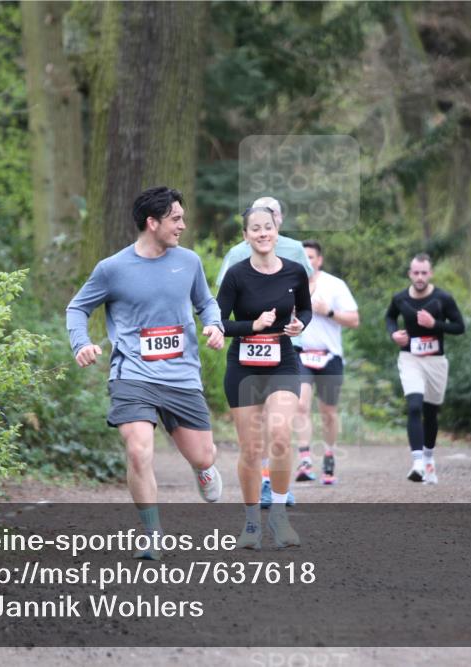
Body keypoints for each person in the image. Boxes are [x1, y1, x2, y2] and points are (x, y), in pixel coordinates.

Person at [67, 186, 225, 560]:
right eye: (175, 219)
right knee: (139, 451)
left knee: (203, 456)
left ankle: (202, 470)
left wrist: (215, 325)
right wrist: (80, 344)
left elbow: (206, 303)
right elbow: (77, 308)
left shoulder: (188, 262)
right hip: (133, 374)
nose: (182, 225)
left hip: (181, 376)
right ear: (152, 223)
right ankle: (153, 534)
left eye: (182, 218)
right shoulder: (112, 269)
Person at [217, 206, 312, 549]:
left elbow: (306, 310)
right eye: (254, 228)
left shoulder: (295, 272)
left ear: (276, 231)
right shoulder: (236, 275)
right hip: (243, 366)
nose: (261, 233)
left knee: (281, 434)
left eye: (267, 227)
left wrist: (301, 324)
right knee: (252, 448)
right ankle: (252, 523)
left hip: (283, 360)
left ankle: (281, 517)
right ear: (245, 236)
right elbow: (219, 322)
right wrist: (251, 326)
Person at [385, 253, 465, 484]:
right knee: (413, 407)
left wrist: (435, 325)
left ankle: (429, 459)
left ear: (430, 274)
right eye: (415, 272)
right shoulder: (400, 298)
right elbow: (390, 317)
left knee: (430, 413)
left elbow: (460, 327)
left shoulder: (443, 298)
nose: (419, 277)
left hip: (436, 361)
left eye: (423, 273)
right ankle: (417, 463)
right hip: (409, 357)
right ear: (410, 274)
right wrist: (393, 333)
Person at [293, 240, 359, 485]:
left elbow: (354, 320)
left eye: (311, 257)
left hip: (329, 356)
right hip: (301, 354)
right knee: (300, 404)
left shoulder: (335, 285)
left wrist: (328, 311)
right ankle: (305, 460)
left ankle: (329, 456)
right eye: (303, 256)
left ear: (319, 260)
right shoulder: (289, 283)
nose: (307, 261)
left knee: (328, 412)